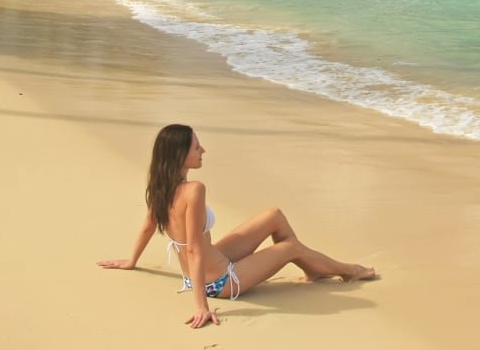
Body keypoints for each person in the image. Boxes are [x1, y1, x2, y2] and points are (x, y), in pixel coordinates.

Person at [98, 123, 376, 328]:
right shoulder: (193, 190)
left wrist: (132, 261)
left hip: (210, 265)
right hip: (219, 282)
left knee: (274, 215)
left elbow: (148, 227)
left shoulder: (161, 186)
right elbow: (194, 249)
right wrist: (201, 307)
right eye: (196, 147)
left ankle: (312, 270)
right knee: (290, 247)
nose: (203, 150)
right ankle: (348, 271)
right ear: (180, 155)